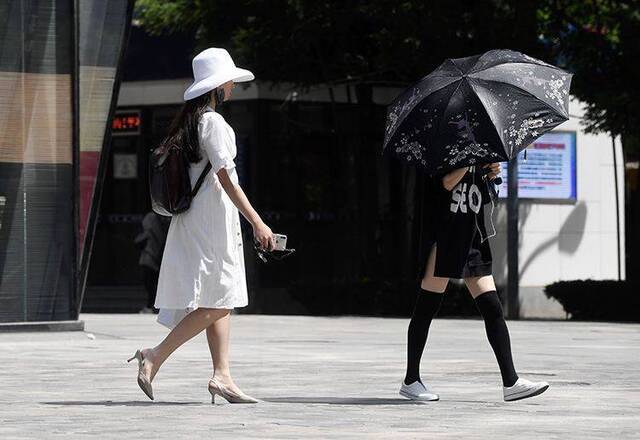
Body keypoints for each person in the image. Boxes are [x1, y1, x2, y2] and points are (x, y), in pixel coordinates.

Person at [128, 48, 274, 404]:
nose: (232, 86)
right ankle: (155, 355)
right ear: (218, 85)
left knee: (216, 295)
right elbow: (227, 179)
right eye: (230, 80)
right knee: (221, 299)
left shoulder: (190, 123)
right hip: (212, 222)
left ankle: (222, 375)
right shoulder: (214, 124)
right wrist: (258, 221)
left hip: (193, 220)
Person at [400, 164, 549, 402]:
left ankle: (511, 382)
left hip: (472, 238)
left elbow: (483, 198)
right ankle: (411, 380)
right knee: (426, 309)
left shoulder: (478, 154)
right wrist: (470, 163)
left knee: (492, 308)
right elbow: (446, 183)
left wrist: (489, 175)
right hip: (445, 238)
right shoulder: (446, 149)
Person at [134, 211, 171, 313]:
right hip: (150, 257)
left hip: (154, 257)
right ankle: (152, 305)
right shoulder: (153, 223)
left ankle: (152, 305)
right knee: (150, 283)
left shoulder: (159, 224)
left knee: (152, 283)